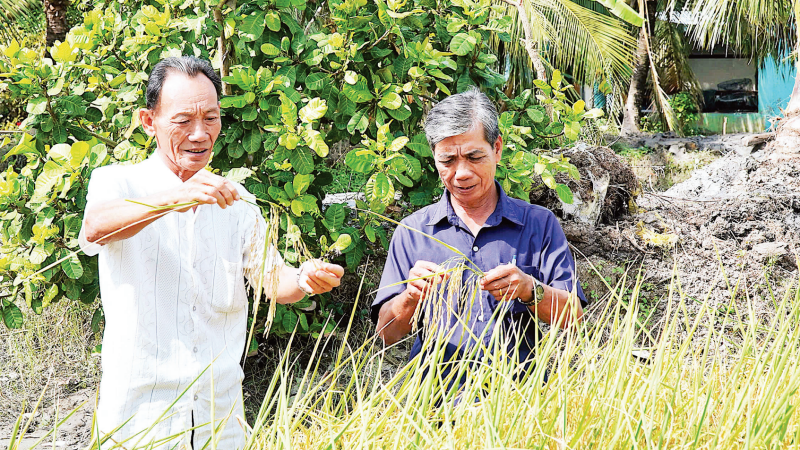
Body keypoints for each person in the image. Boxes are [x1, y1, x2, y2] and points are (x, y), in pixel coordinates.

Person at [79, 56, 344, 449]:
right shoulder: (118, 181)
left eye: (211, 118)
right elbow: (96, 227)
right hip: (139, 418)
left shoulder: (239, 203)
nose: (200, 134)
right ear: (149, 121)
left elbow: (274, 281)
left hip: (219, 417)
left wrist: (304, 278)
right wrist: (175, 198)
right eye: (183, 121)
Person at [372, 88, 587, 374]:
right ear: (434, 157)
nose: (461, 173)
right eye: (447, 160)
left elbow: (574, 316)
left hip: (517, 399)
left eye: (474, 157)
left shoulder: (539, 224)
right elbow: (385, 334)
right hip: (433, 403)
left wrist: (528, 290)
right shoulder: (412, 232)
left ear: (497, 149)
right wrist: (410, 297)